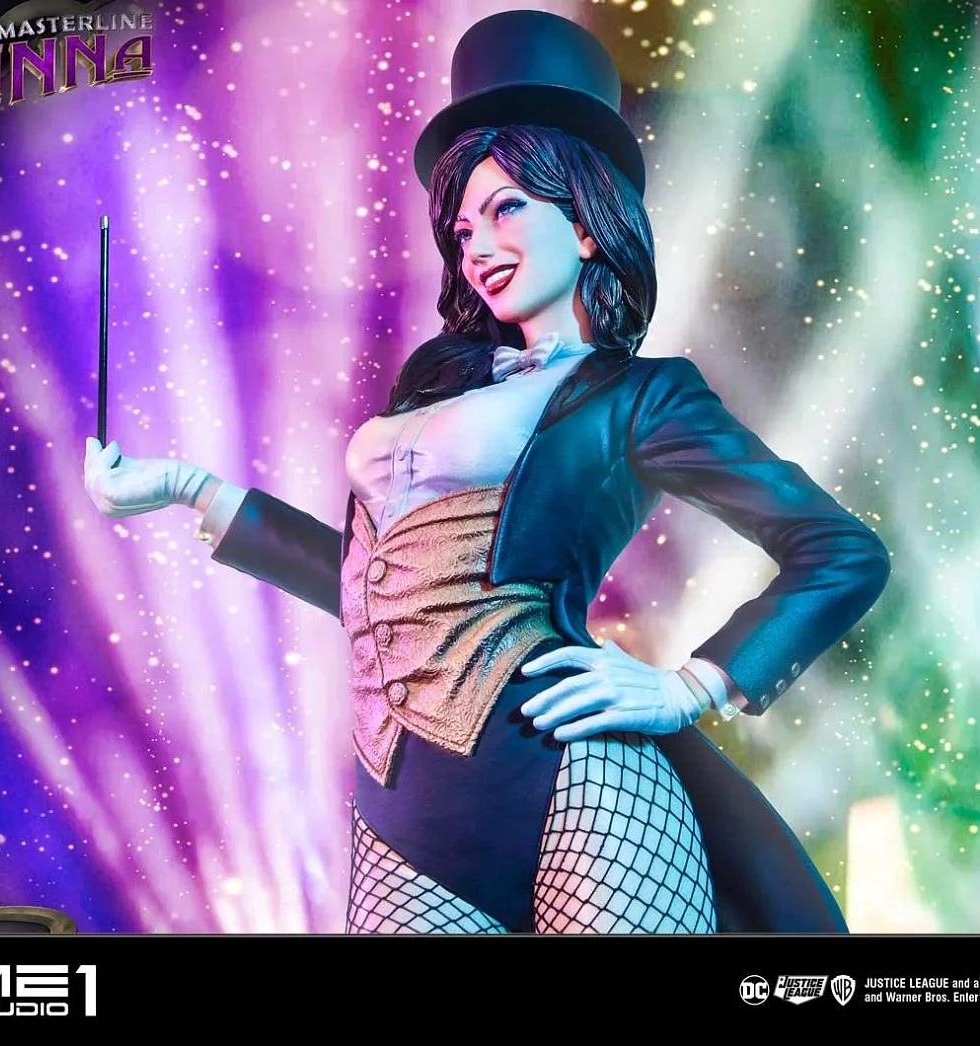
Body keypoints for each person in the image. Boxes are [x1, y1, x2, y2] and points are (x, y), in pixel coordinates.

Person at [83, 10, 890, 934]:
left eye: (507, 208)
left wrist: (692, 684)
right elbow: (377, 590)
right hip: (404, 820)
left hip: (581, 780)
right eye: (463, 227)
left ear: (585, 223)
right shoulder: (435, 385)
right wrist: (186, 487)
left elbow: (841, 551)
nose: (477, 246)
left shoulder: (639, 395)